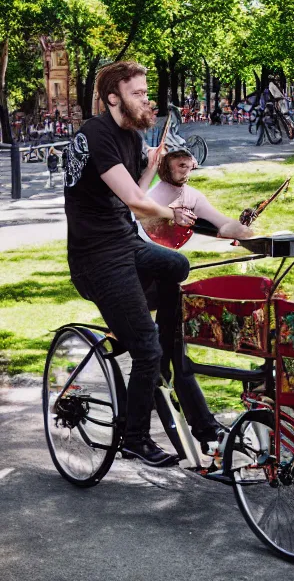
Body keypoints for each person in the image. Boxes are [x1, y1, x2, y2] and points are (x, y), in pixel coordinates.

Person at [64, 61, 219, 467]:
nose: (146, 100)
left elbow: (134, 190)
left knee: (176, 265)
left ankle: (164, 342)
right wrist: (173, 215)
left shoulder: (130, 136)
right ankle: (134, 438)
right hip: (96, 258)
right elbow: (137, 203)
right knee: (146, 350)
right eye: (137, 93)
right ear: (113, 97)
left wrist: (151, 163)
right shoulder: (95, 134)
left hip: (126, 243)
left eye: (146, 93)